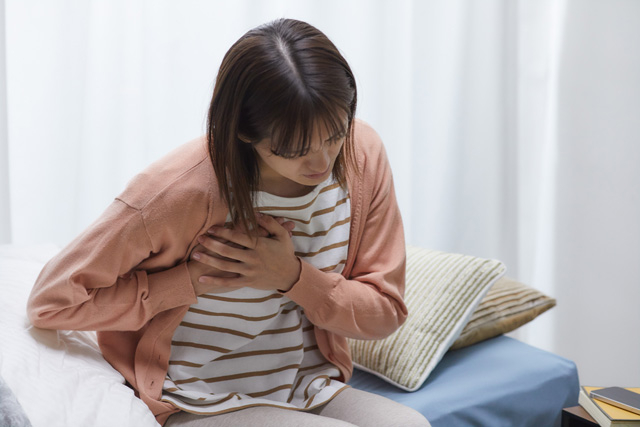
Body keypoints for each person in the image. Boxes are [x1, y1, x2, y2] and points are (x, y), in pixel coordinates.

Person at [27, 18, 430, 427]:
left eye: (335, 134)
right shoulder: (177, 190)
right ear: (242, 131)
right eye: (294, 150)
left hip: (309, 388)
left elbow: (385, 312)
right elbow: (51, 302)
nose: (323, 163)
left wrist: (291, 276)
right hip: (193, 398)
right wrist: (188, 281)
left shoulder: (363, 155)